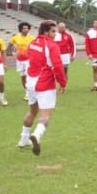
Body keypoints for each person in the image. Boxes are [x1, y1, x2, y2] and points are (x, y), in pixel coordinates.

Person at [17, 20, 67, 155]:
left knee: (32, 111)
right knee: (45, 115)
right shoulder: (51, 46)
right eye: (53, 31)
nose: (55, 34)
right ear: (45, 31)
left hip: (31, 83)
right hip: (44, 83)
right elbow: (57, 66)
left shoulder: (32, 43)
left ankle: (23, 139)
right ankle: (37, 135)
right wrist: (63, 83)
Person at [8, 22, 34, 100]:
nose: (25, 30)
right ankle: (26, 92)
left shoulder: (32, 38)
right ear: (20, 29)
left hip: (28, 60)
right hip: (19, 60)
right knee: (22, 77)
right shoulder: (16, 37)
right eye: (24, 28)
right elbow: (9, 45)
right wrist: (11, 52)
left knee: (27, 76)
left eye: (27, 28)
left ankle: (29, 93)